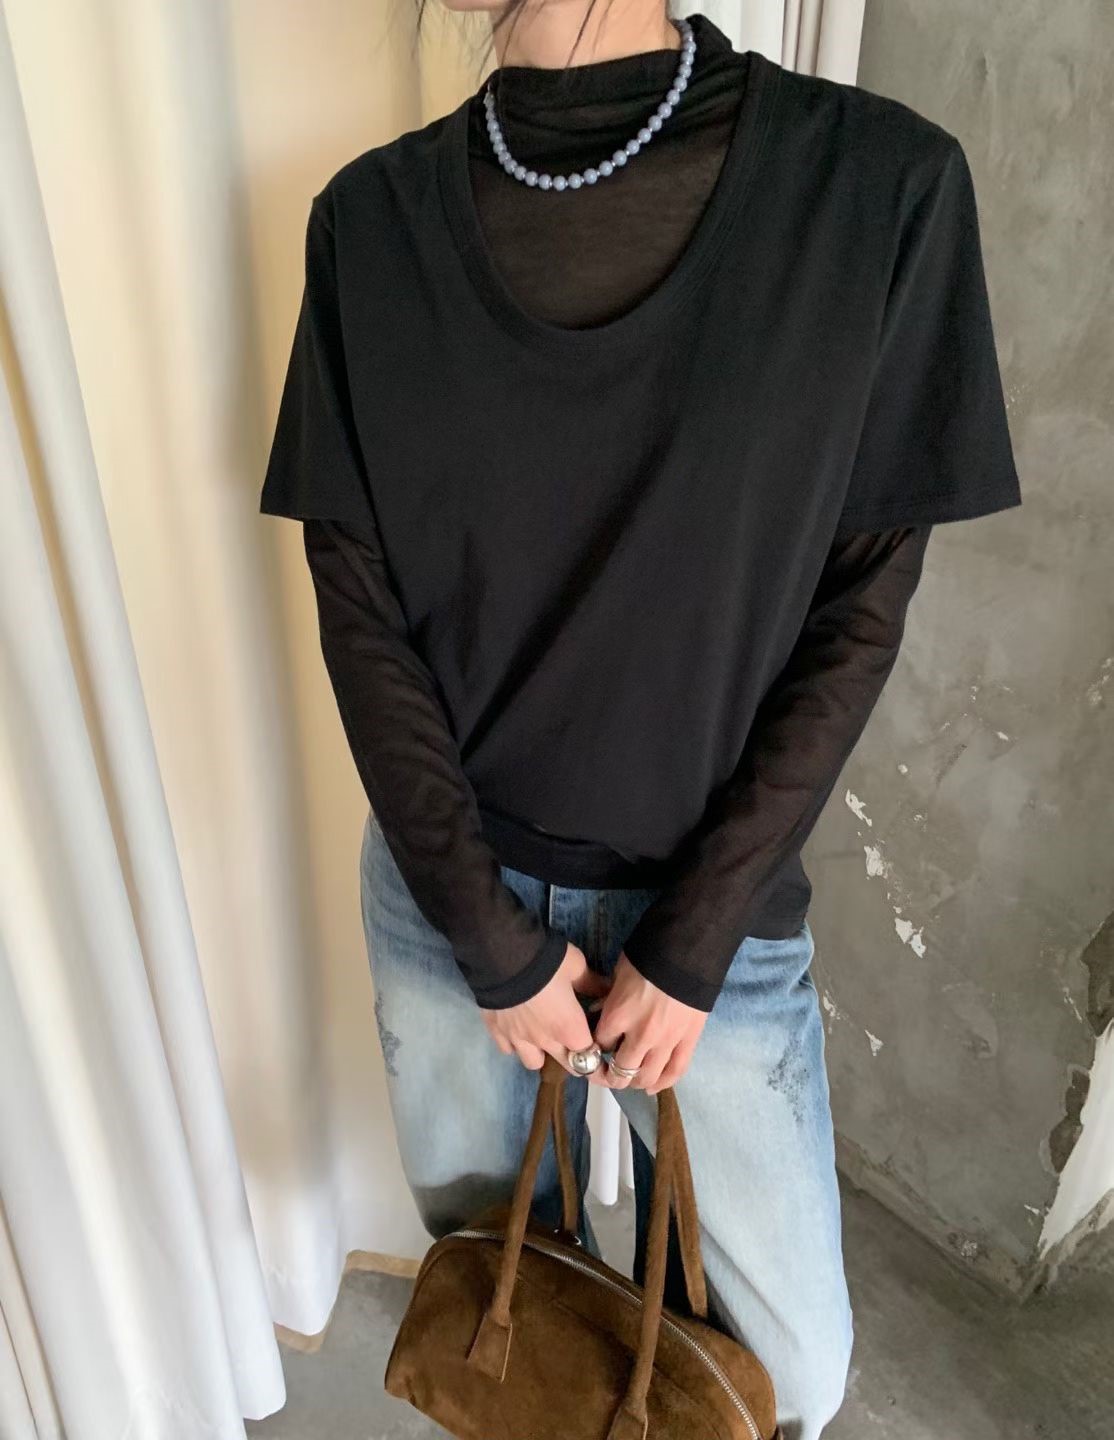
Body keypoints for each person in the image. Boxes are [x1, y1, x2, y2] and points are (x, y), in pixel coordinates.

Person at [259, 4, 1022, 1435]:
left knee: (788, 1376)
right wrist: (488, 941)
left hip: (710, 912)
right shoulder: (370, 223)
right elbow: (355, 606)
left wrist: (694, 938)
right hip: (451, 903)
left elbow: (859, 611)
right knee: (509, 1325)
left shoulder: (878, 186)